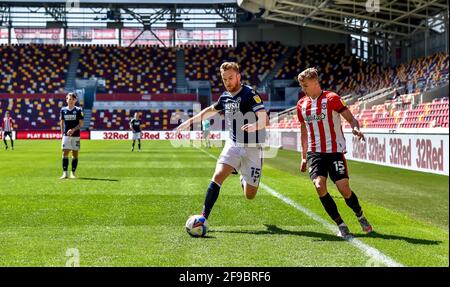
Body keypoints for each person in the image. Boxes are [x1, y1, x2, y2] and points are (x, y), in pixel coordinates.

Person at [177, 62, 268, 220]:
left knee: (250, 195)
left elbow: (264, 118)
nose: (227, 82)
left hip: (253, 147)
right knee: (218, 175)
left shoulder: (250, 94)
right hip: (232, 144)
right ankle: (203, 216)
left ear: (238, 77)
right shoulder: (225, 97)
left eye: (230, 78)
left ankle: (242, 175)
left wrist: (254, 126)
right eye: (224, 79)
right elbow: (209, 110)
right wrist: (189, 121)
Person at [296, 67, 373, 238]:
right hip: (314, 153)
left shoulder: (332, 98)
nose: (303, 89)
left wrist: (355, 129)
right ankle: (341, 224)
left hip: (334, 151)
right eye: (302, 86)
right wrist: (303, 156)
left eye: (306, 85)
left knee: (344, 189)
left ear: (316, 83)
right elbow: (303, 131)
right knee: (319, 186)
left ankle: (360, 215)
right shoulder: (301, 104)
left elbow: (351, 119)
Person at [60, 92, 84, 179]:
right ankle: (64, 173)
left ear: (75, 100)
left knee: (75, 154)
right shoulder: (63, 110)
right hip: (66, 136)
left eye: (72, 99)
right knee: (65, 152)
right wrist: (62, 133)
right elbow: (61, 122)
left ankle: (73, 173)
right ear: (66, 100)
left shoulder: (79, 110)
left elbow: (81, 124)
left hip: (76, 135)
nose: (70, 101)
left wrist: (73, 130)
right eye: (68, 99)